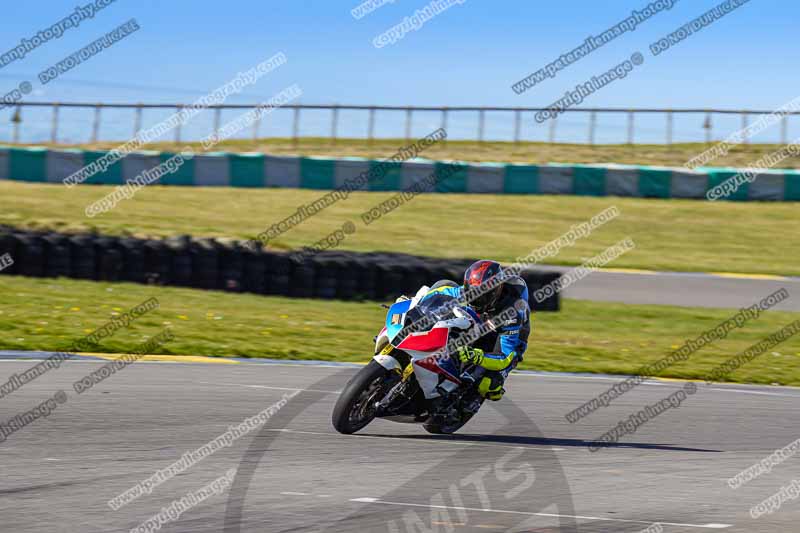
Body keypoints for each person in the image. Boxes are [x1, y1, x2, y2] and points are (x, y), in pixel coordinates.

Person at [420, 259, 531, 401]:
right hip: (484, 320)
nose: (474, 300)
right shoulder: (476, 288)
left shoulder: (512, 313)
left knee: (488, 386)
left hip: (509, 337)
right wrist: (420, 303)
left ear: (493, 292)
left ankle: (464, 402)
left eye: (480, 296)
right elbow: (444, 291)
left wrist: (477, 356)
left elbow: (505, 356)